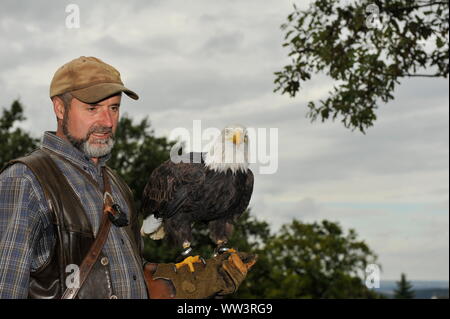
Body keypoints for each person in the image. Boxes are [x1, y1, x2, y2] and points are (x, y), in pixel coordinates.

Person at [0, 56, 255, 299]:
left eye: (114, 108)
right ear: (60, 108)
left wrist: (173, 285)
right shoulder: (27, 180)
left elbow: (121, 276)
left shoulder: (116, 186)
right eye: (92, 108)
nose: (107, 121)